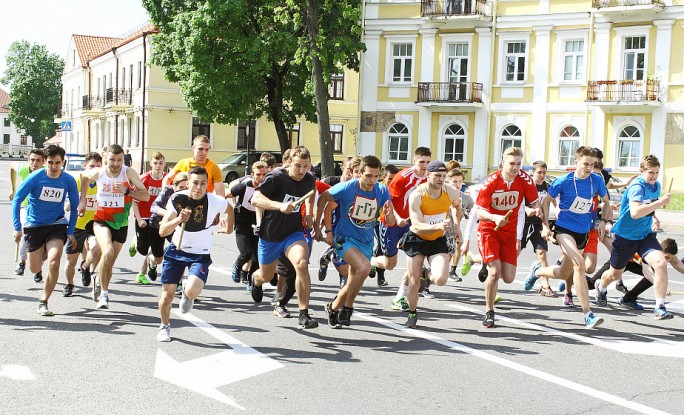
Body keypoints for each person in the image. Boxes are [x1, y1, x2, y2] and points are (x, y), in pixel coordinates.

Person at [526, 146, 611, 328]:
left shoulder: (596, 180)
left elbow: (606, 202)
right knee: (579, 264)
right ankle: (588, 313)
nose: (589, 167)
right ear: (576, 162)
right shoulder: (563, 181)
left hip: (584, 231)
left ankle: (537, 271)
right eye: (585, 164)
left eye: (592, 164)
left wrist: (604, 220)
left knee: (564, 272)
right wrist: (545, 225)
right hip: (564, 229)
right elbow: (547, 201)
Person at [156, 166, 233, 342]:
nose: (198, 187)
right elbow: (162, 231)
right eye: (195, 183)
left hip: (200, 254)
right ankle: (164, 326)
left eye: (203, 184)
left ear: (208, 185)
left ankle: (187, 293)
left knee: (192, 291)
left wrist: (229, 228)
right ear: (188, 184)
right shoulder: (177, 198)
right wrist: (179, 219)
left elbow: (229, 208)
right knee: (167, 296)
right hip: (176, 251)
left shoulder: (215, 201)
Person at [315, 155, 394, 327]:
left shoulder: (381, 190)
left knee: (353, 279)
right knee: (365, 268)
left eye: (376, 176)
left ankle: (333, 307)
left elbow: (392, 221)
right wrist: (317, 226)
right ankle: (348, 308)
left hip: (365, 242)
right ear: (360, 173)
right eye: (368, 176)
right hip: (344, 238)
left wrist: (388, 215)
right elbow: (323, 199)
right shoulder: (347, 187)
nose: (372, 180)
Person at [594, 154, 674, 320]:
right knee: (615, 274)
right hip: (625, 237)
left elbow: (648, 207)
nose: (654, 176)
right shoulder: (637, 187)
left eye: (657, 172)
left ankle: (660, 307)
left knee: (660, 263)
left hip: (645, 235)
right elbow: (636, 212)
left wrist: (654, 217)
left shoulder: (656, 186)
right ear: (641, 171)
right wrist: (659, 203)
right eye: (651, 172)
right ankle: (601, 287)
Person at [249, 146, 318, 329]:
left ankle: (303, 314)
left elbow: (311, 193)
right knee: (266, 275)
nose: (302, 170)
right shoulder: (276, 178)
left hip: (293, 232)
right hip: (271, 235)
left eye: (306, 166)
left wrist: (309, 213)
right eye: (298, 166)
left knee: (302, 264)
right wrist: (279, 206)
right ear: (289, 163)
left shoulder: (309, 178)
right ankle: (255, 280)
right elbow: (256, 199)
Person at [77, 144, 150, 309]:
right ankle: (104, 294)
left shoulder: (128, 173)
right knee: (107, 251)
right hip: (101, 220)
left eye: (119, 160)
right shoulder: (99, 172)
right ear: (105, 159)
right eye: (112, 160)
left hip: (121, 223)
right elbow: (84, 178)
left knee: (108, 262)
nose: (116, 164)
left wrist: (127, 192)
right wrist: (82, 200)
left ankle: (97, 278)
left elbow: (145, 196)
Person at [476, 147, 541, 328]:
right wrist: (494, 217)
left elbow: (534, 201)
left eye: (519, 164)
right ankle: (489, 312)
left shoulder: (524, 179)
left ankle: (485, 262)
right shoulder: (491, 182)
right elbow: (480, 212)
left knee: (509, 277)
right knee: (495, 273)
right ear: (503, 162)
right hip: (489, 229)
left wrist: (535, 209)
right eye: (511, 163)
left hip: (509, 232)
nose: (515, 168)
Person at [12, 145, 79, 316]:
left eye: (58, 163)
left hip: (57, 224)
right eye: (50, 163)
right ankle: (40, 252)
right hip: (34, 226)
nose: (54, 167)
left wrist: (70, 230)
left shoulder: (68, 180)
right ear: (45, 163)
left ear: (63, 162)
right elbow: (17, 200)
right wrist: (17, 228)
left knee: (55, 261)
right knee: (34, 269)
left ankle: (44, 301)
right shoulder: (35, 177)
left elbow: (75, 206)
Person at [402, 160, 462, 328]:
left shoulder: (451, 192)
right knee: (413, 282)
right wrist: (437, 225)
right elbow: (416, 225)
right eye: (437, 176)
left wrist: (457, 227)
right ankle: (412, 313)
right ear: (427, 175)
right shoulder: (417, 195)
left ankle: (426, 275)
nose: (441, 179)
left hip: (438, 239)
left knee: (441, 279)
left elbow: (457, 207)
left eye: (443, 176)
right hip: (417, 239)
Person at [370, 147, 430, 310]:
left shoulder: (429, 178)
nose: (424, 165)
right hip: (391, 223)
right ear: (414, 161)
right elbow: (388, 201)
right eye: (421, 162)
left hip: (412, 224)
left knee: (416, 261)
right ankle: (371, 261)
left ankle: (399, 297)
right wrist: (398, 219)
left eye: (427, 162)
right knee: (390, 264)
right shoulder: (402, 177)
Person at [63, 152, 103, 297]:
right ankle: (69, 284)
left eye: (98, 166)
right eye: (92, 166)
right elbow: (67, 206)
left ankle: (86, 267)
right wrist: (75, 203)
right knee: (71, 261)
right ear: (85, 166)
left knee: (96, 249)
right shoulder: (77, 180)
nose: (95, 170)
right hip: (77, 224)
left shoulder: (102, 182)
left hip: (95, 223)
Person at [225, 161, 268, 284]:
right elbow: (226, 194)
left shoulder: (267, 187)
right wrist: (228, 209)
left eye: (264, 174)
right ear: (252, 175)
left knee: (257, 257)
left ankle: (251, 282)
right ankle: (237, 265)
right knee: (246, 253)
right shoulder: (245, 186)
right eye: (258, 174)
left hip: (258, 223)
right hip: (242, 223)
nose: (261, 178)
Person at [614, 238, 684, 311]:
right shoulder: (651, 250)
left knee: (655, 276)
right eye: (666, 257)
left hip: (636, 263)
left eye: (670, 259)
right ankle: (601, 290)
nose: (667, 261)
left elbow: (678, 264)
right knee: (608, 276)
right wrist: (662, 289)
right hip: (623, 259)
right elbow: (647, 271)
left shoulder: (667, 251)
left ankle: (628, 299)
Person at [130, 152, 167, 285]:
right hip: (144, 216)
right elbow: (134, 201)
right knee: (143, 249)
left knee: (157, 251)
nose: (158, 166)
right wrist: (139, 219)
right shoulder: (144, 179)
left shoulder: (167, 180)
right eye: (155, 163)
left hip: (159, 218)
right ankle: (136, 241)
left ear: (164, 164)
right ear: (150, 164)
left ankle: (147, 268)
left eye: (161, 163)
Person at [520, 161, 556, 297]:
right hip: (523, 223)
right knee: (515, 253)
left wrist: (546, 224)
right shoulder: (528, 185)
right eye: (539, 172)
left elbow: (549, 205)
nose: (542, 175)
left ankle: (545, 286)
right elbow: (519, 203)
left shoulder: (547, 187)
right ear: (533, 172)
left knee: (542, 253)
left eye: (544, 172)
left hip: (538, 225)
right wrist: (527, 209)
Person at [9, 148, 45, 281]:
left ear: (44, 162)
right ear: (28, 161)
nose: (34, 163)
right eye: (32, 160)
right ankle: (22, 262)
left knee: (41, 239)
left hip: (42, 210)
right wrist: (13, 189)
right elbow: (12, 166)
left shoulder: (47, 172)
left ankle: (38, 269)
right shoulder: (24, 170)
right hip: (26, 206)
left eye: (38, 161)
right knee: (26, 230)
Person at [445, 168, 473, 281]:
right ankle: (425, 277)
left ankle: (452, 271)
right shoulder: (443, 195)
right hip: (439, 231)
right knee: (439, 260)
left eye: (460, 181)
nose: (458, 184)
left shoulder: (465, 198)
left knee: (458, 245)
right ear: (447, 181)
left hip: (454, 232)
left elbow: (475, 211)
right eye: (454, 181)